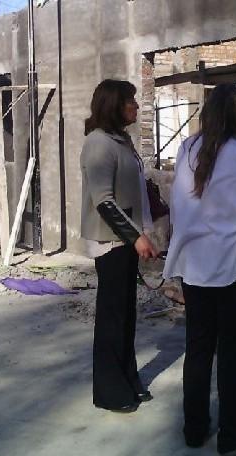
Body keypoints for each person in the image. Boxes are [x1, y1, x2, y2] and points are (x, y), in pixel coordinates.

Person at [163, 83, 236, 455]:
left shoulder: (187, 148)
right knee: (232, 351)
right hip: (235, 264)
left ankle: (194, 428)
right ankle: (234, 434)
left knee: (198, 347)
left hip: (194, 263)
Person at [80, 79, 158, 413]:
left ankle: (128, 379)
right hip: (110, 242)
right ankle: (110, 392)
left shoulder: (121, 140)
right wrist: (136, 237)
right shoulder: (98, 143)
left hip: (125, 240)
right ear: (114, 105)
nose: (136, 107)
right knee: (112, 319)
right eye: (130, 101)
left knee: (126, 315)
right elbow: (104, 202)